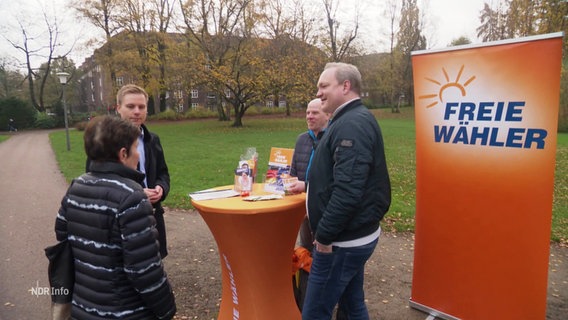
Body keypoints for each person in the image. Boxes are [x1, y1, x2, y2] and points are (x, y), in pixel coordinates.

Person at [55, 115, 176, 319]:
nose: (138, 154)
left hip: (84, 307)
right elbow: (144, 270)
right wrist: (167, 309)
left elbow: (62, 234)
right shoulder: (132, 197)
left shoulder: (76, 186)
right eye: (136, 148)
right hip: (125, 311)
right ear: (123, 153)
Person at [301, 62, 391, 320]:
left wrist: (325, 237)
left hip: (342, 242)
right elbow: (338, 178)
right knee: (352, 306)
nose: (318, 93)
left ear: (346, 86)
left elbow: (348, 190)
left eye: (323, 85)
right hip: (349, 237)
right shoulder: (348, 120)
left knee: (315, 313)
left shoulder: (351, 124)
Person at [86, 84, 171, 258]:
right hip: (120, 221)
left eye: (142, 107)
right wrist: (138, 194)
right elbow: (95, 183)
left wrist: (161, 188)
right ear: (118, 108)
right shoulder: (104, 141)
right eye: (130, 106)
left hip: (152, 215)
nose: (137, 112)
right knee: (128, 265)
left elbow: (163, 173)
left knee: (153, 261)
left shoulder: (152, 139)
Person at [288, 98, 330, 311]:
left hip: (323, 210)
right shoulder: (301, 140)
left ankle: (320, 301)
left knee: (323, 255)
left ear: (327, 115)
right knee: (305, 252)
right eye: (307, 112)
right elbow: (293, 172)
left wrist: (305, 186)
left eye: (314, 113)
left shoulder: (332, 140)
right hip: (302, 209)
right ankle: (303, 301)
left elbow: (332, 181)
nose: (309, 117)